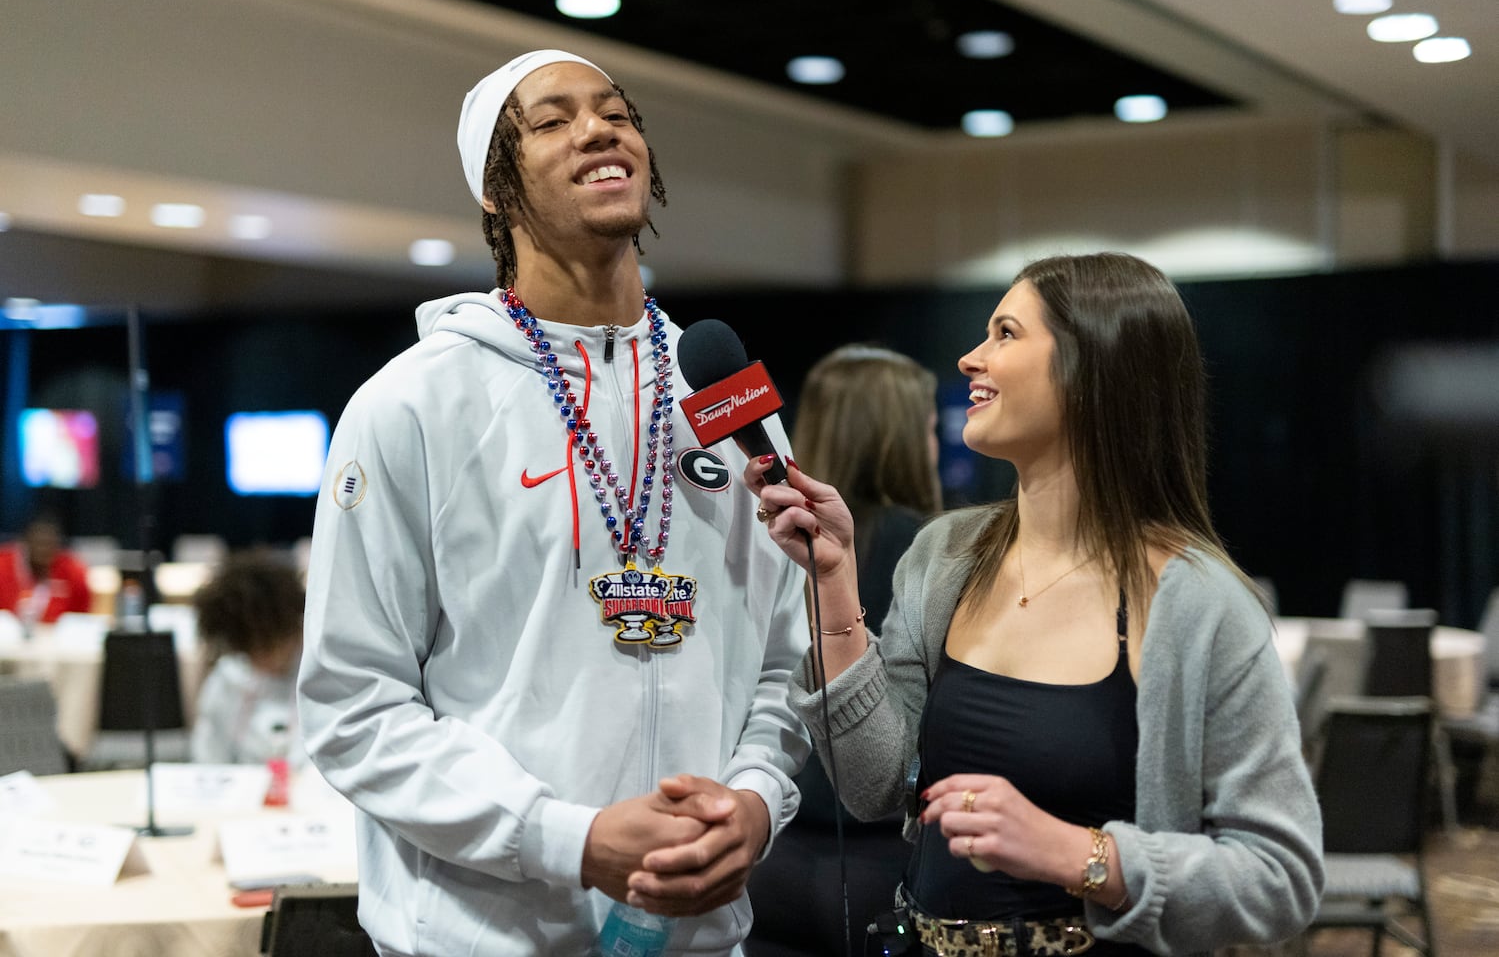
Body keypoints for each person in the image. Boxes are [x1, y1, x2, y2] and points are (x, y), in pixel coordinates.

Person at [297, 48, 811, 957]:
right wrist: (563, 839)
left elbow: (784, 656)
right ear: (493, 189)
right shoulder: (413, 404)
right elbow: (353, 706)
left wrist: (758, 802)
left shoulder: (722, 395)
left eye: (617, 111)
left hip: (695, 937)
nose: (599, 129)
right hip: (478, 937)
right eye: (551, 119)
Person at [746, 252, 1324, 956]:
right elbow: (871, 787)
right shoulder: (945, 554)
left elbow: (1279, 880)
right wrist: (831, 582)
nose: (969, 358)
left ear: (1092, 368)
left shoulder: (1201, 604)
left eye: (1005, 334)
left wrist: (1077, 854)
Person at [746, 345, 942, 957]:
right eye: (932, 428)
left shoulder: (764, 541)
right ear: (904, 436)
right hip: (887, 869)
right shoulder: (936, 552)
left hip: (769, 854)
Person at [190, 549, 306, 767]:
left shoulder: (326, 674)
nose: (260, 659)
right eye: (250, 651)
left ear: (293, 627)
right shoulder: (226, 681)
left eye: (267, 645)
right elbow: (208, 761)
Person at [0, 510, 93, 626]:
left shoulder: (74, 572)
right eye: (38, 543)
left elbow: (80, 620)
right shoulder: (3, 565)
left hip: (55, 640)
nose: (42, 549)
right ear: (25, 541)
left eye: (48, 544)